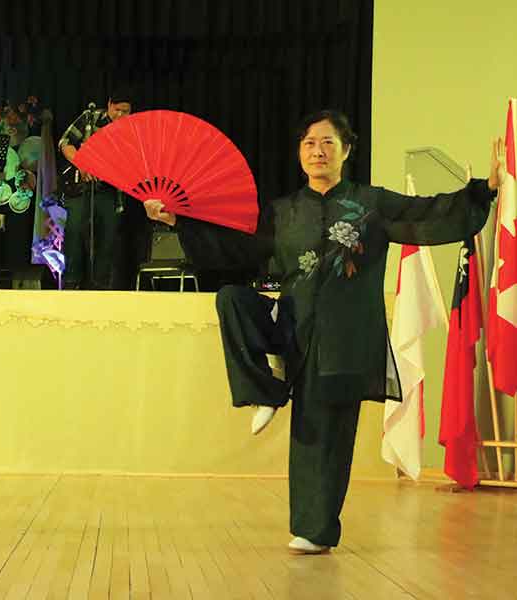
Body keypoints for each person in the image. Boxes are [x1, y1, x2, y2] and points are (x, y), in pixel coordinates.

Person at [144, 110, 503, 553]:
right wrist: (178, 222)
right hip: (292, 327)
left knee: (325, 433)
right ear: (300, 152)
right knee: (231, 299)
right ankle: (265, 391)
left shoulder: (372, 204)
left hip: (344, 338)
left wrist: (483, 189)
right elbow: (237, 248)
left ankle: (315, 531)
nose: (318, 151)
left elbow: (428, 212)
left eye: (328, 142)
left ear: (346, 150)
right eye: (310, 143)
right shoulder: (282, 212)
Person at [59, 85, 133, 289]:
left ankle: (101, 285)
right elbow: (65, 142)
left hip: (111, 190)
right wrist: (82, 163)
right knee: (74, 232)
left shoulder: (132, 130)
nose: (120, 115)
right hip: (82, 186)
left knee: (108, 238)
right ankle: (72, 282)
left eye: (125, 111)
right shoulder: (90, 118)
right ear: (109, 105)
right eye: (117, 110)